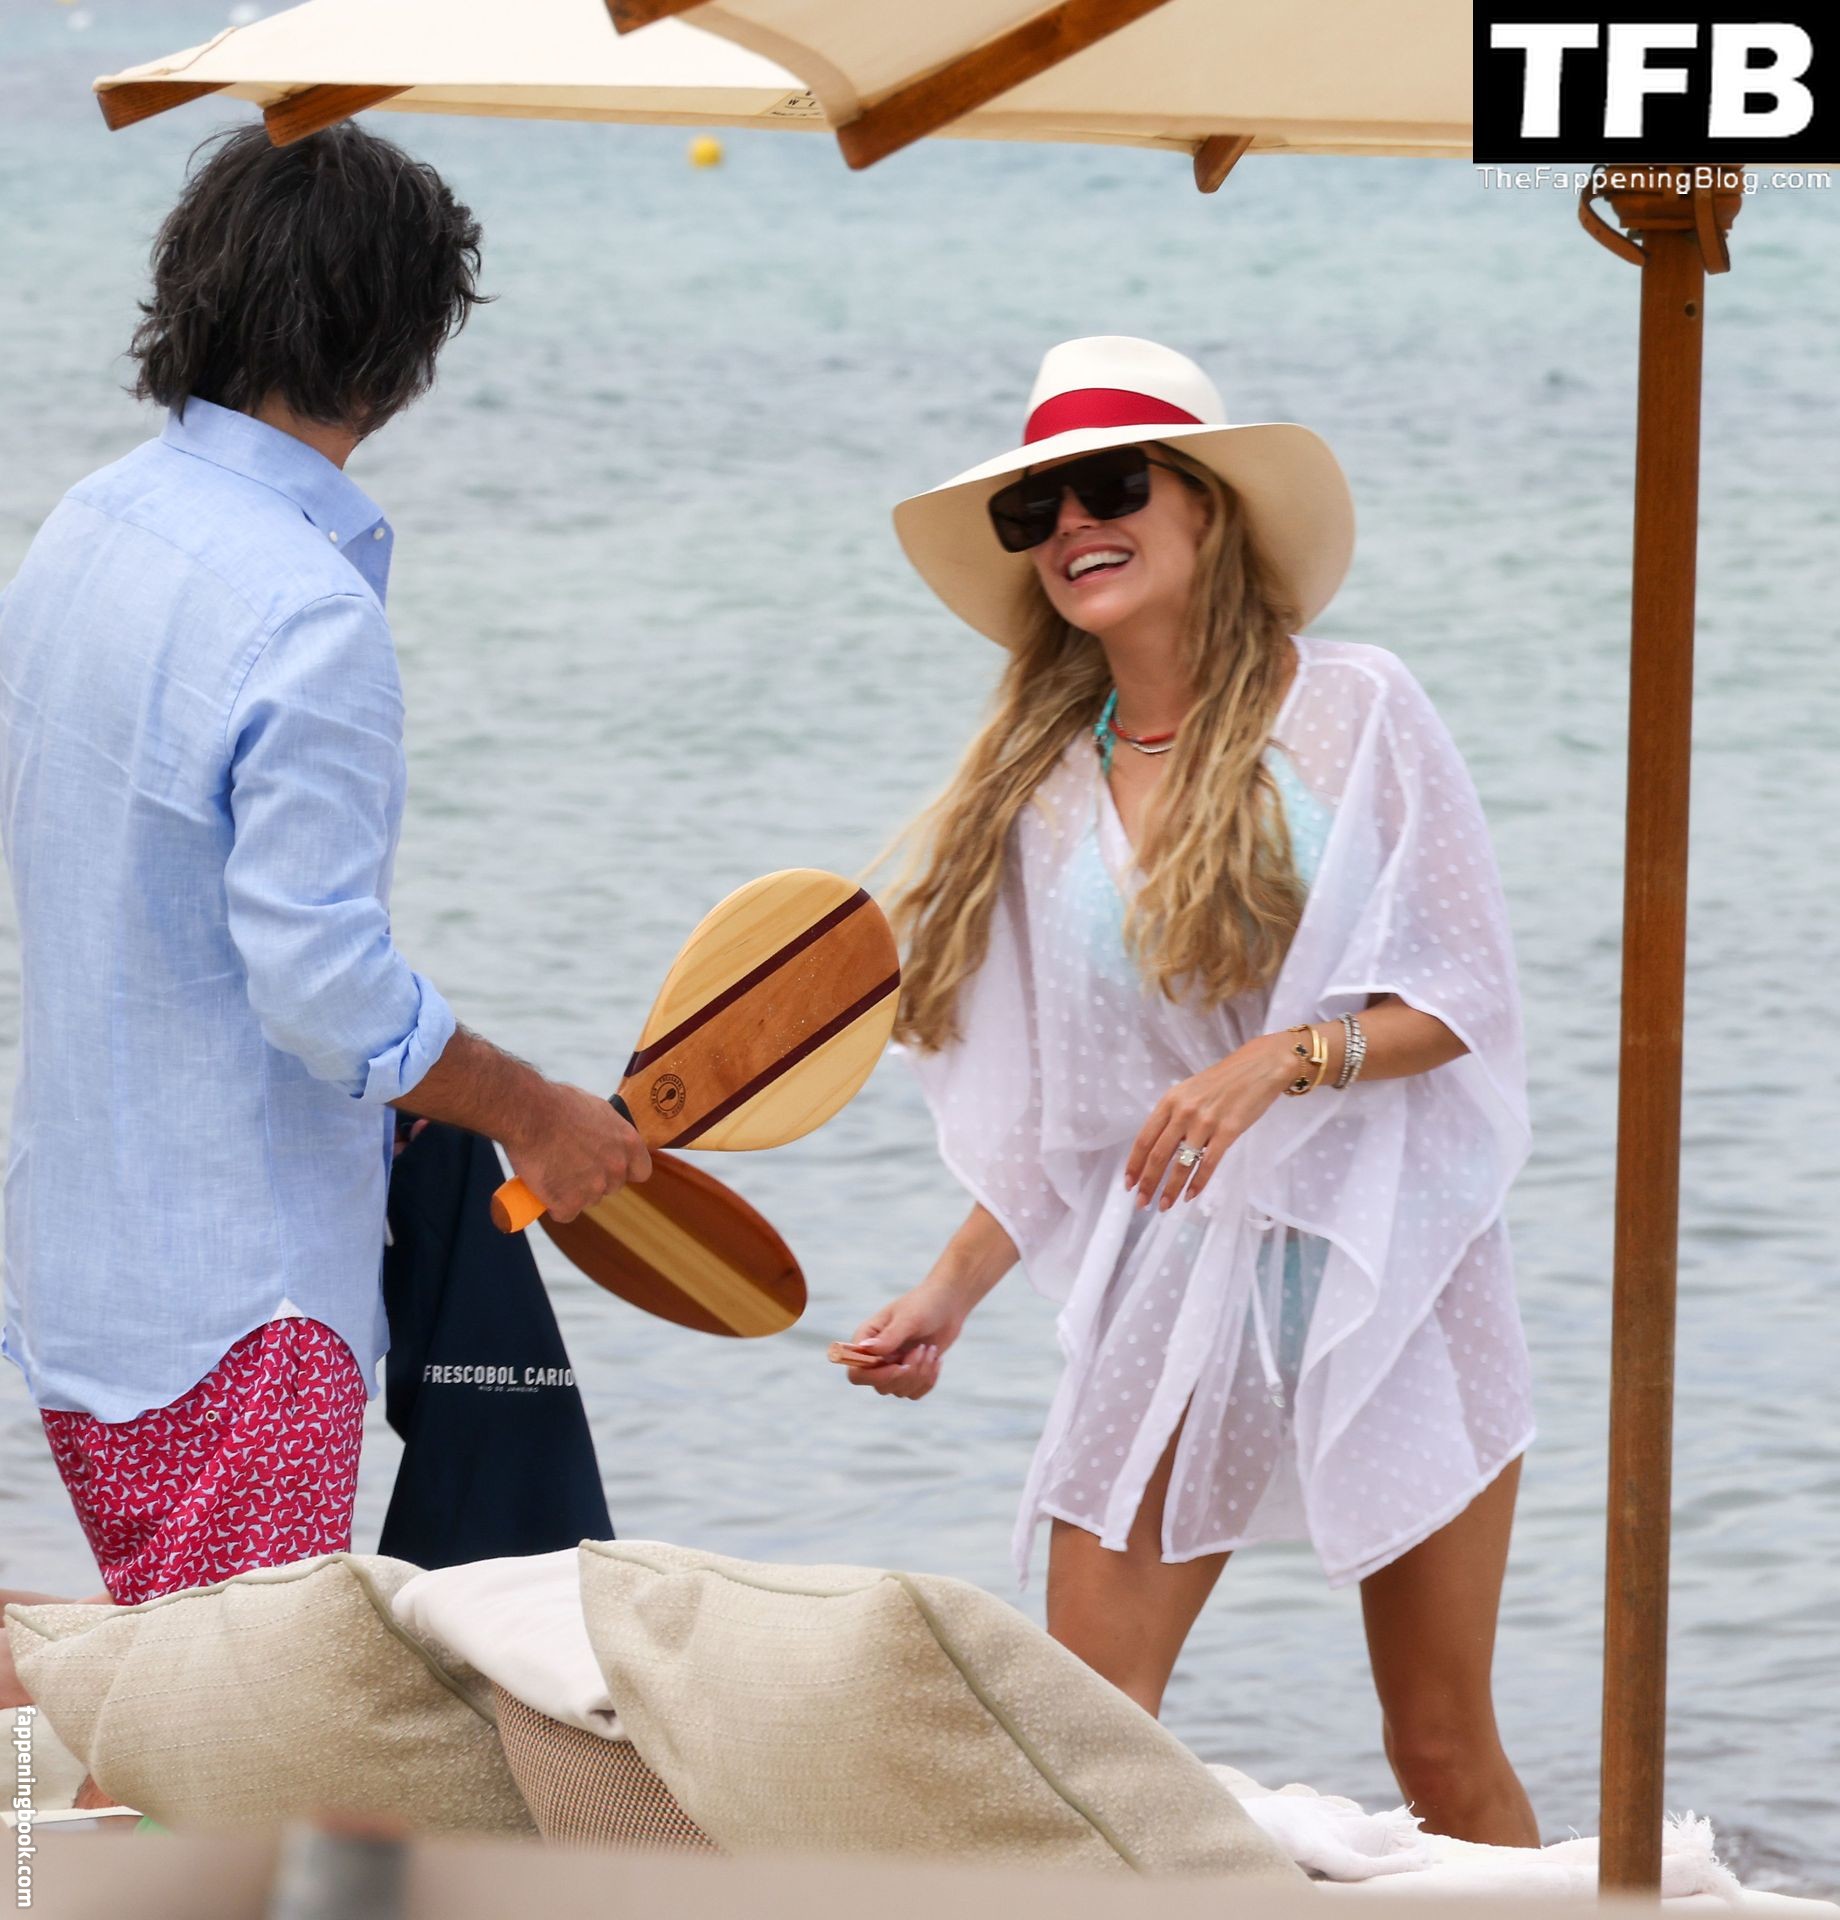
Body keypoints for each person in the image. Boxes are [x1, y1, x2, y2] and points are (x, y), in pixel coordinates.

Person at [844, 337, 1539, 1846]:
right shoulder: (1043, 785)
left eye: (1110, 485)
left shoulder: (1353, 707)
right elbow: (1073, 1118)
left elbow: (1462, 1001)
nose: (1071, 526)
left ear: (1208, 507)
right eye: (1034, 510)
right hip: (1174, 1267)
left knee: (1437, 1742)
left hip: (1385, 1252)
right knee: (1085, 1729)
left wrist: (1282, 1059)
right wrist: (946, 1295)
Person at [0, 124, 648, 1610]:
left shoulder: (84, 526)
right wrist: (531, 1110)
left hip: (77, 1244)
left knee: (183, 1668)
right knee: (244, 1704)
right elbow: (323, 990)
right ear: (405, 348)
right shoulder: (306, 612)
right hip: (247, 1296)